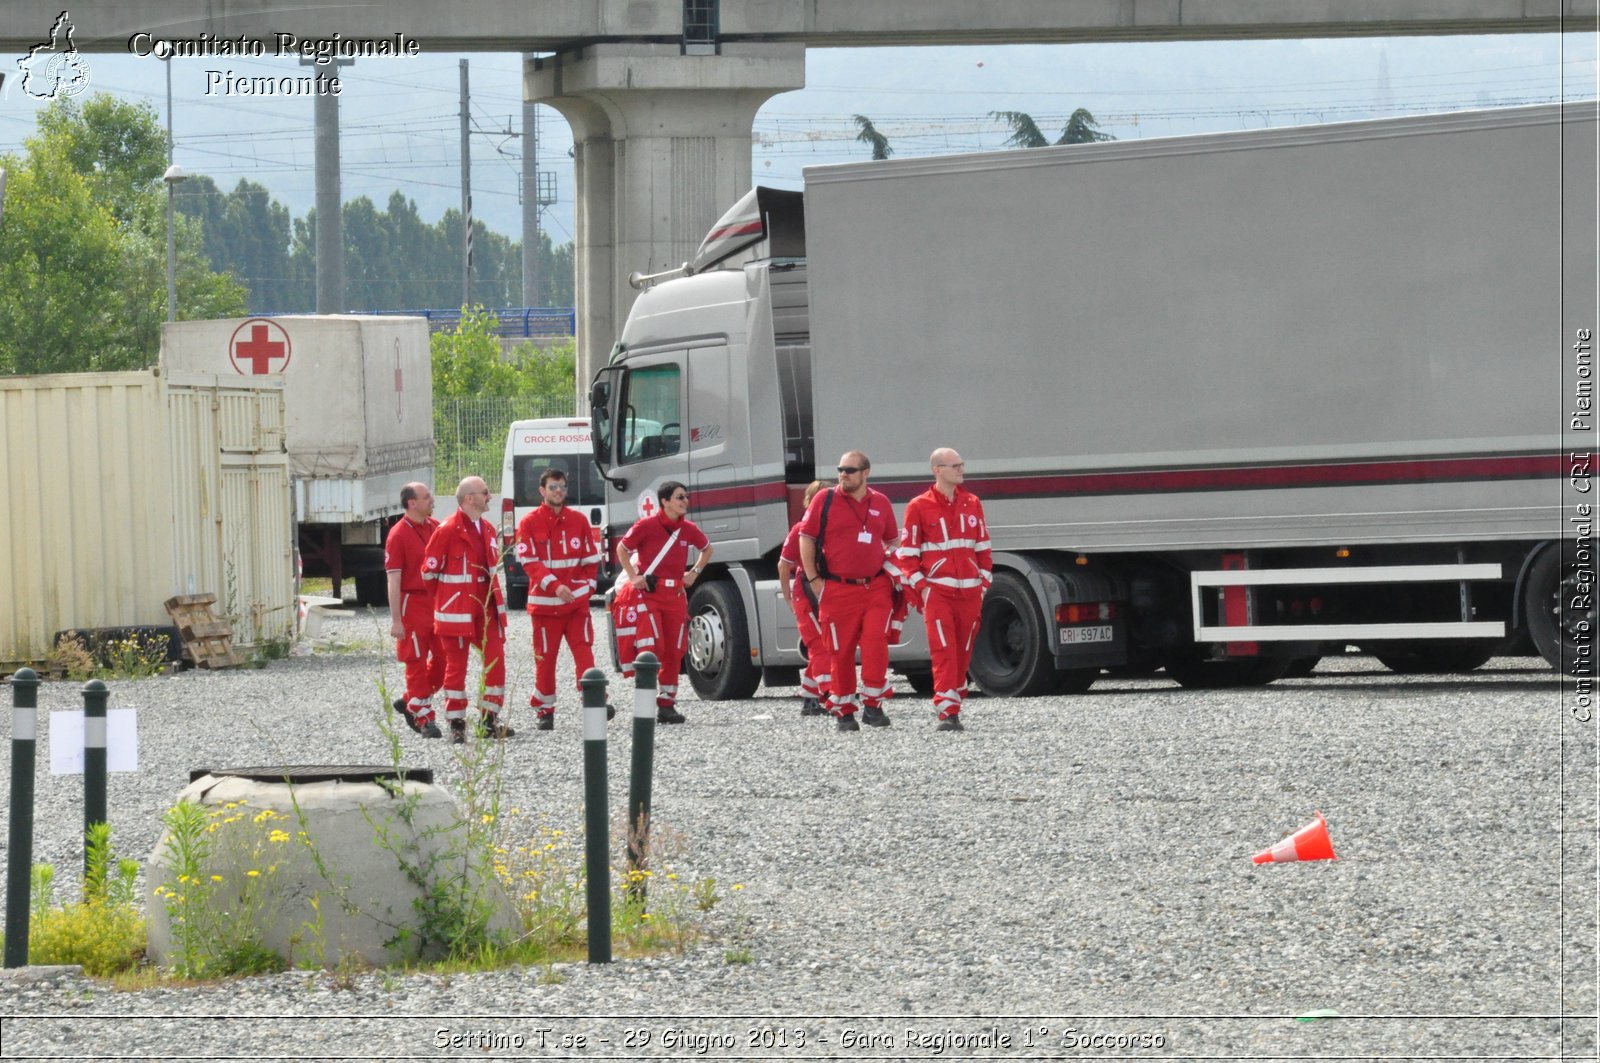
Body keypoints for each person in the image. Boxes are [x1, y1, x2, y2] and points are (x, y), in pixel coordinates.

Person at [799, 451, 901, 732]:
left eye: (850, 470)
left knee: (875, 643)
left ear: (866, 473)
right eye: (841, 469)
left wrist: (893, 564)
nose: (843, 474)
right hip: (837, 588)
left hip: (876, 586)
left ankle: (873, 705)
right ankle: (844, 711)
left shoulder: (880, 502)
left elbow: (892, 539)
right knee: (840, 651)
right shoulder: (825, 499)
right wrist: (814, 579)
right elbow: (805, 539)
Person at [897, 448, 992, 731]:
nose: (961, 470)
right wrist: (923, 589)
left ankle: (955, 699)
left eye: (962, 464)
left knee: (963, 651)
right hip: (938, 593)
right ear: (937, 470)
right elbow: (907, 555)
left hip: (970, 594)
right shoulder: (918, 506)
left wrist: (983, 582)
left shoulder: (973, 502)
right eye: (955, 466)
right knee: (944, 651)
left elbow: (983, 547)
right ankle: (947, 712)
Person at [513, 467, 607, 730]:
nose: (559, 491)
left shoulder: (578, 520)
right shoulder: (529, 522)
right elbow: (529, 562)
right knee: (545, 659)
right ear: (542, 491)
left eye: (563, 487)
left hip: (576, 605)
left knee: (584, 652)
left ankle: (595, 702)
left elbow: (590, 562)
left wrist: (586, 589)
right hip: (544, 608)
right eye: (554, 487)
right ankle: (545, 710)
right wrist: (554, 586)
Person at [423, 476, 513, 743]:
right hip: (456, 612)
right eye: (485, 492)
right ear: (469, 498)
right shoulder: (447, 530)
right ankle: (457, 724)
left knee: (496, 662)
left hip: (486, 609)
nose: (490, 497)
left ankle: (489, 720)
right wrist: (447, 601)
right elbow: (428, 573)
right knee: (456, 667)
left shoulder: (485, 528)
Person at [616, 482, 713, 724]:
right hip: (650, 595)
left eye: (686, 497)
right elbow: (622, 549)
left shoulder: (688, 529)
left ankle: (667, 704)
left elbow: (708, 549)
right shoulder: (646, 526)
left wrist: (694, 573)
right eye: (680, 497)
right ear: (665, 501)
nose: (685, 501)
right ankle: (645, 703)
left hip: (676, 596)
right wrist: (633, 576)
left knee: (674, 650)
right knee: (652, 648)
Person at [384, 482, 444, 738]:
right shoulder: (398, 534)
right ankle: (424, 718)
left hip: (437, 603)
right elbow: (393, 580)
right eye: (426, 496)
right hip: (413, 605)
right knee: (416, 663)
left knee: (445, 660)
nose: (432, 499)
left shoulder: (436, 527)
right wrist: (396, 620)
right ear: (412, 503)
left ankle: (410, 699)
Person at [778, 480, 831, 717]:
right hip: (806, 594)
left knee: (829, 644)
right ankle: (832, 694)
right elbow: (783, 566)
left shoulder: (835, 528)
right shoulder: (800, 529)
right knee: (820, 645)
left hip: (827, 593)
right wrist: (788, 598)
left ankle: (810, 698)